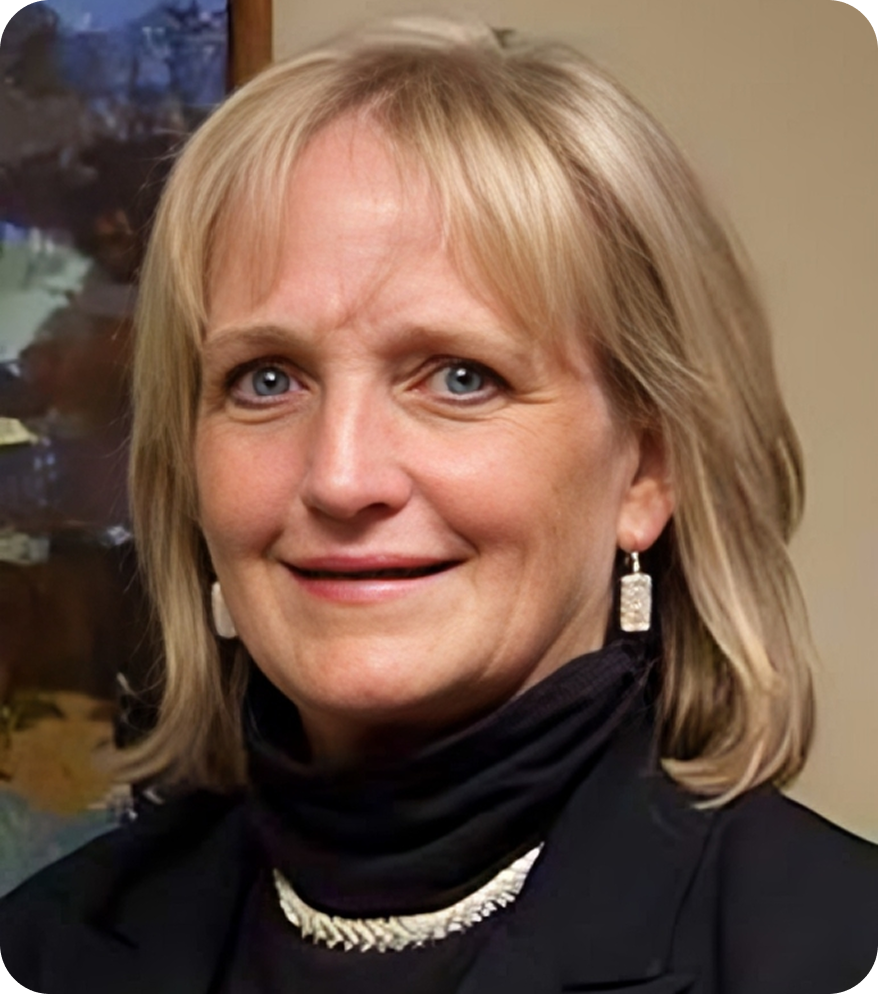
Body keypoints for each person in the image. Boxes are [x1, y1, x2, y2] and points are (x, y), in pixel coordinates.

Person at [1, 15, 876, 994]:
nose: (340, 477)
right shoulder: (44, 948)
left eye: (460, 377)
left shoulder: (827, 946)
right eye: (266, 379)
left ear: (646, 472)